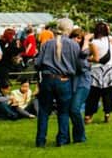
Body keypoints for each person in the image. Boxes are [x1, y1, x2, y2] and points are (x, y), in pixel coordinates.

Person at [34, 17, 81, 148]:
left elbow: (38, 63)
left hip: (48, 79)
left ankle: (40, 140)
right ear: (69, 29)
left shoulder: (47, 44)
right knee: (63, 111)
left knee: (44, 111)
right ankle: (62, 139)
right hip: (64, 80)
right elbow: (79, 65)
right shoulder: (74, 45)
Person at [84, 21, 112, 125]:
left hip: (96, 71)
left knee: (93, 94)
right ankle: (107, 114)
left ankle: (88, 115)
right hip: (109, 70)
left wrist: (88, 59)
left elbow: (96, 58)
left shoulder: (93, 43)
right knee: (109, 93)